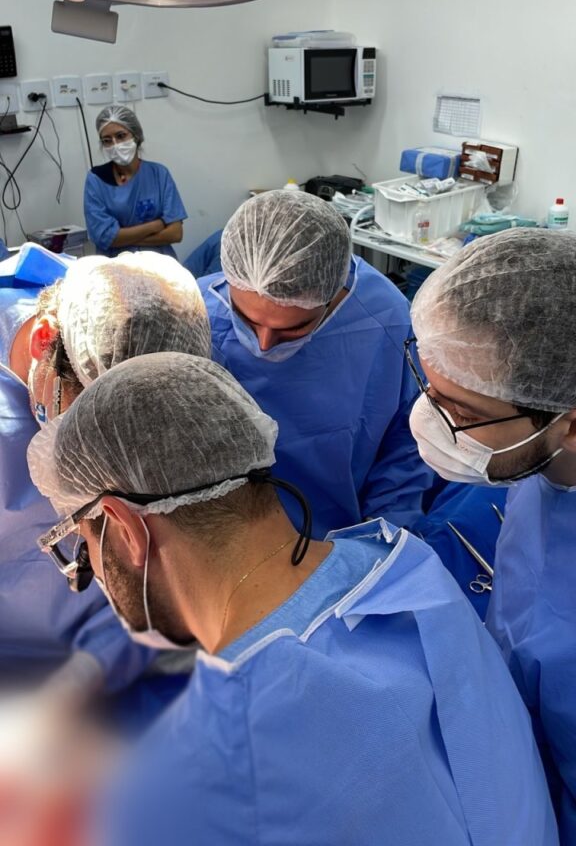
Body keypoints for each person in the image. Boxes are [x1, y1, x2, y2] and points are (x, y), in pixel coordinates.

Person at [28, 351, 557, 846]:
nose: (90, 568)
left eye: (84, 546)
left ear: (124, 527)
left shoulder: (181, 788)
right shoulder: (407, 571)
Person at [406, 227, 576, 843]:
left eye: (464, 413)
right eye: (429, 386)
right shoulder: (543, 465)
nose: (429, 418)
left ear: (570, 424)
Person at [0, 243, 210, 708]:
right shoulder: (84, 331)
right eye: (83, 428)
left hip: (117, 658)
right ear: (42, 341)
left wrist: (87, 672)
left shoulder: (146, 322)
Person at [198, 189, 433, 535]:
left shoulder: (386, 321)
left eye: (292, 329)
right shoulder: (195, 315)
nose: (263, 345)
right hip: (224, 535)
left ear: (332, 295)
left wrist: (380, 538)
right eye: (245, 320)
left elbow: (405, 445)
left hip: (336, 534)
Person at [84, 105, 187, 258]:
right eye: (107, 140)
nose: (115, 144)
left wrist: (122, 238)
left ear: (136, 136)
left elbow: (175, 233)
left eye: (121, 136)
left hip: (159, 262)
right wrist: (156, 225)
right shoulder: (96, 179)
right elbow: (104, 237)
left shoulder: (159, 174)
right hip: (116, 264)